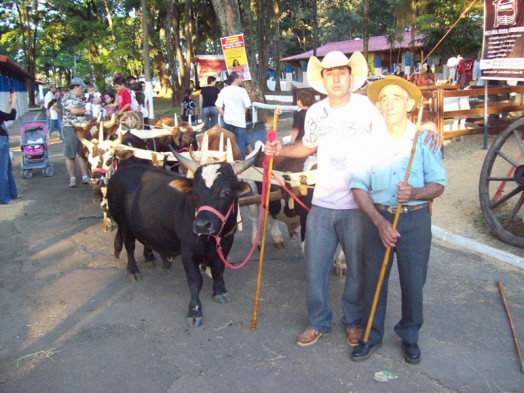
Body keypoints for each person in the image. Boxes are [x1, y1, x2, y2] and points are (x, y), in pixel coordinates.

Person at [264, 50, 387, 348]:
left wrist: (424, 131)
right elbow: (306, 147)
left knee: (356, 269)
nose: (335, 78)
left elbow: (385, 146)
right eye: (329, 73)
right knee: (314, 268)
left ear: (350, 76)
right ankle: (319, 322)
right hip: (322, 203)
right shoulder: (316, 112)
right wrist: (280, 150)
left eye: (341, 72)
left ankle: (353, 321)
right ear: (322, 78)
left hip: (358, 205)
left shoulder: (367, 109)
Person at [350, 75, 446, 364]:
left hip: (415, 222)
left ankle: (410, 335)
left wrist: (416, 192)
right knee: (373, 279)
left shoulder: (424, 139)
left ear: (408, 104)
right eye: (384, 99)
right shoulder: (367, 142)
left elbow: (438, 185)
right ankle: (371, 334)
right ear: (378, 106)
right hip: (377, 218)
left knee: (413, 282)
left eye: (396, 98)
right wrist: (379, 223)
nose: (389, 104)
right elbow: (358, 187)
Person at [62, 77, 91, 188]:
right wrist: (86, 111)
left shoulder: (78, 98)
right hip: (71, 128)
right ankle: (72, 178)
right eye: (81, 87)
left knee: (82, 153)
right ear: (76, 87)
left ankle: (85, 176)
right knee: (70, 154)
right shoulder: (67, 97)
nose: (82, 89)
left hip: (81, 128)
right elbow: (74, 111)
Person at [215, 72, 251, 159]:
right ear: (236, 79)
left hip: (227, 120)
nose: (241, 79)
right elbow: (248, 105)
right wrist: (244, 112)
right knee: (240, 144)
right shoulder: (242, 91)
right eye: (240, 78)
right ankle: (240, 161)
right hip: (239, 121)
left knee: (227, 143)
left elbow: (218, 106)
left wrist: (223, 115)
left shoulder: (224, 90)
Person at [0, 91, 19, 204]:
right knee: (3, 171)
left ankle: (12, 194)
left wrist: (9, 103)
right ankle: (5, 198)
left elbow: (4, 117)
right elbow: (11, 116)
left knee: (7, 169)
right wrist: (13, 103)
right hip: (1, 142)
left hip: (3, 141)